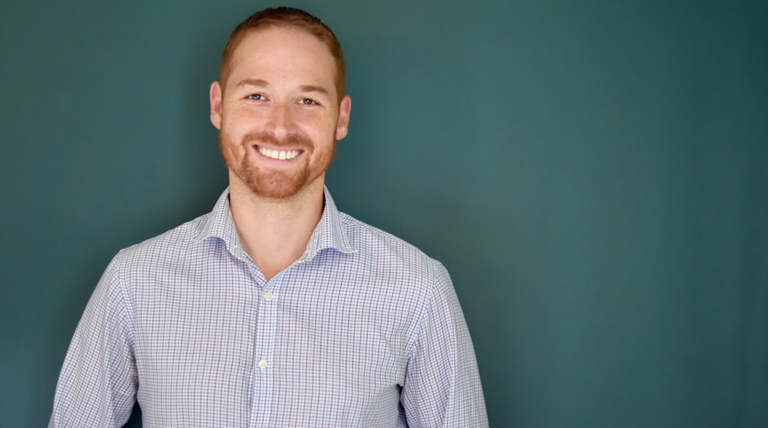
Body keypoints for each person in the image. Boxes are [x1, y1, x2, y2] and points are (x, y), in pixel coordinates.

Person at [49, 7, 488, 427]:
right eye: (257, 96)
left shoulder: (417, 290)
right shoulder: (133, 283)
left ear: (342, 117)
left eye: (308, 100)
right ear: (218, 106)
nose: (280, 126)